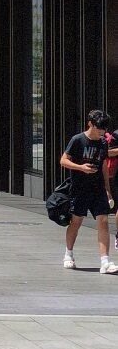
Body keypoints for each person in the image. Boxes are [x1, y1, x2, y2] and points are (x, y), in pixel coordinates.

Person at [61, 109, 118, 273]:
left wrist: (107, 189)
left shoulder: (103, 142)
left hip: (98, 187)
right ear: (90, 124)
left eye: (104, 129)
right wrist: (80, 167)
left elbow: (103, 167)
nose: (102, 132)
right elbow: (63, 160)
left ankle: (105, 261)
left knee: (104, 221)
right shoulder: (78, 140)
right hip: (80, 188)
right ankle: (68, 255)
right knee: (76, 221)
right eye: (99, 128)